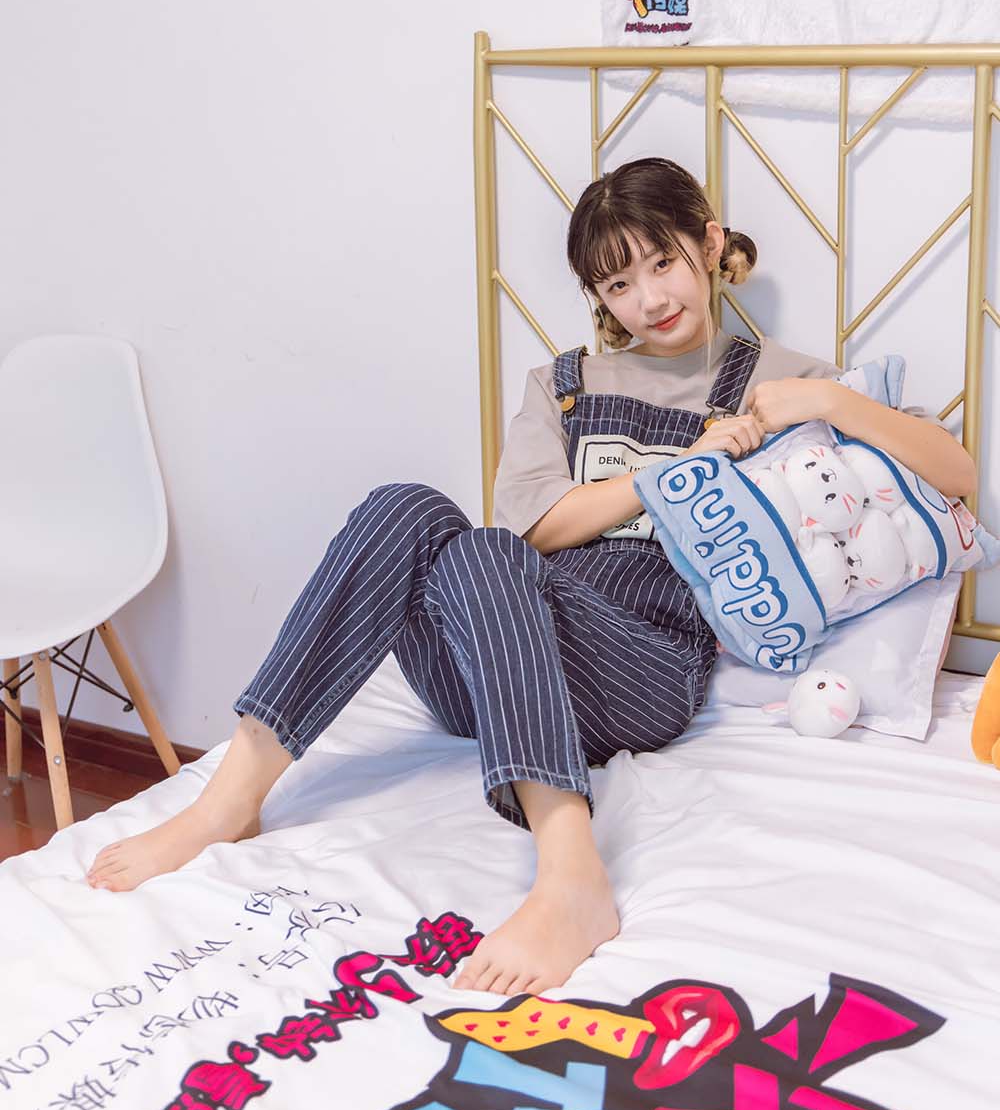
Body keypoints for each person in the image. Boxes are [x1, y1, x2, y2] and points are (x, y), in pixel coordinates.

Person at [85, 155, 974, 998]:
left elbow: (955, 473)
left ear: (708, 244)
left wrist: (828, 400)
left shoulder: (779, 381)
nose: (648, 299)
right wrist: (676, 470)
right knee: (408, 507)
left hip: (641, 666)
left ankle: (569, 871)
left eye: (662, 262)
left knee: (482, 551)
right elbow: (534, 527)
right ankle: (231, 799)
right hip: (495, 665)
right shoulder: (563, 386)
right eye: (616, 284)